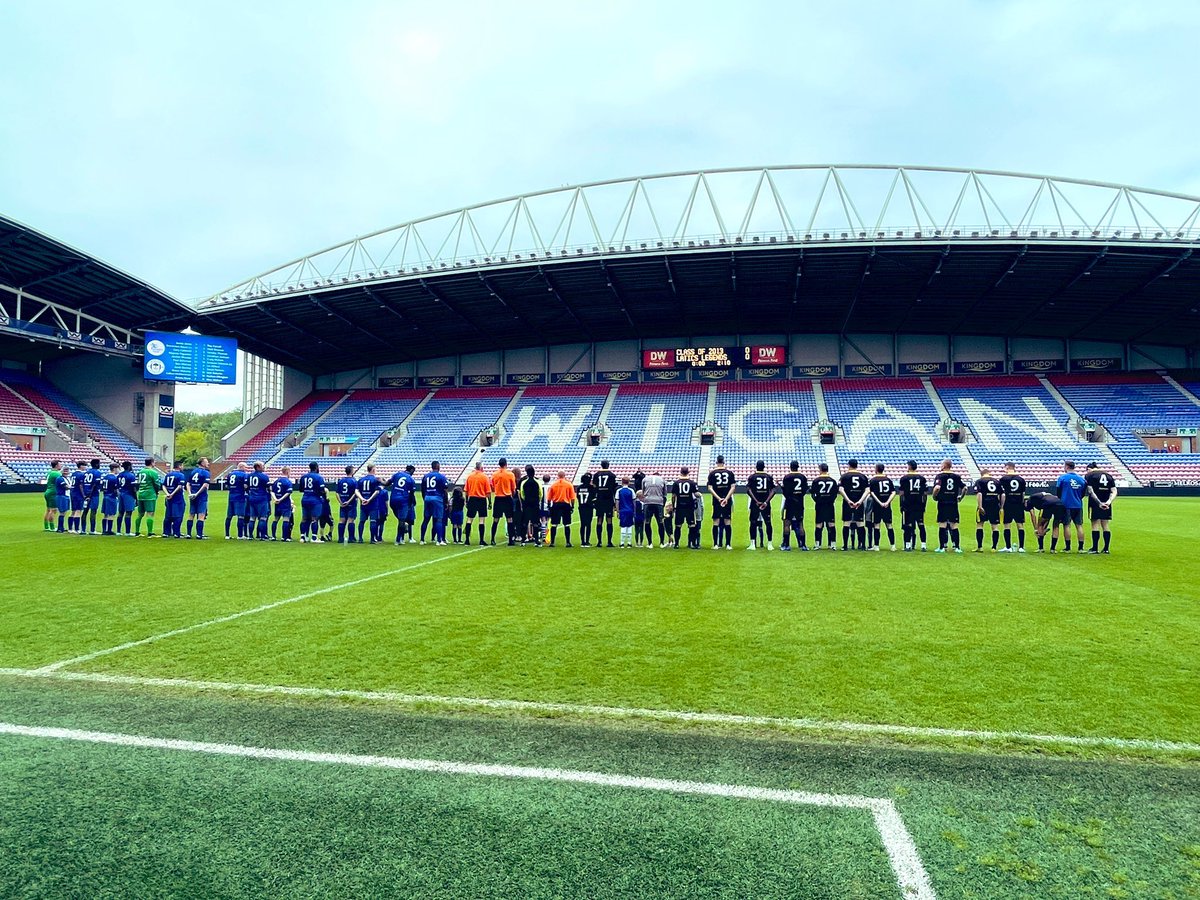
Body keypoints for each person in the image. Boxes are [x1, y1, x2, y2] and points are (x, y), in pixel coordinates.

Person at [931, 459, 965, 553]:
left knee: (942, 524)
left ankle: (942, 547)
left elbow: (937, 487)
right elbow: (965, 488)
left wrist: (934, 496)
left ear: (944, 466)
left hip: (943, 502)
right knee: (954, 525)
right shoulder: (956, 476)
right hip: (953, 502)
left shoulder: (940, 476)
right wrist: (961, 497)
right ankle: (957, 547)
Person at [1084, 462, 1118, 554]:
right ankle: (1106, 548)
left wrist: (1099, 503)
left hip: (1095, 502)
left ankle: (1095, 548)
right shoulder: (1109, 476)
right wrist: (1108, 502)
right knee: (1105, 524)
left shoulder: (1089, 475)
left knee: (1095, 524)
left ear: (1089, 469)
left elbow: (1090, 491)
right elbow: (1114, 491)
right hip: (1106, 502)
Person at [1055, 460, 1087, 553]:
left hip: (1066, 505)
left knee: (1067, 525)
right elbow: (1083, 493)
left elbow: (1058, 492)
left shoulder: (1062, 478)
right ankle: (1081, 548)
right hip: (1078, 505)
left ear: (1067, 467)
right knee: (1079, 525)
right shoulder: (1081, 479)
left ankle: (1068, 548)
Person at [838, 459, 869, 551]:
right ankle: (863, 545)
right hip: (859, 502)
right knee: (860, 523)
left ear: (849, 465)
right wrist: (860, 501)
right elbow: (867, 490)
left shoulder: (844, 476)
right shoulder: (863, 477)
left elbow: (840, 489)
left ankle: (845, 546)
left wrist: (848, 500)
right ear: (857, 465)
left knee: (846, 523)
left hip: (848, 502)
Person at [898, 461, 928, 552]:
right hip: (919, 504)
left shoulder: (904, 478)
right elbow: (925, 494)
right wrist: (924, 505)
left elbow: (901, 494)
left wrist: (901, 505)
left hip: (908, 504)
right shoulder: (922, 478)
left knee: (908, 525)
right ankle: (923, 545)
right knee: (921, 525)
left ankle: (908, 545)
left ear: (909, 467)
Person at [706, 455, 736, 550]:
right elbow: (733, 487)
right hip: (727, 500)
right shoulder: (730, 473)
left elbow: (710, 488)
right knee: (727, 521)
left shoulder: (712, 473)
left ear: (716, 462)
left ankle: (715, 544)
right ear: (724, 462)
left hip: (716, 501)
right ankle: (728, 544)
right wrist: (726, 498)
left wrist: (719, 498)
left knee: (716, 521)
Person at [746, 461, 776, 550]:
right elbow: (773, 490)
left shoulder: (752, 477)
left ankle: (752, 544)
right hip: (766, 503)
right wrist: (766, 502)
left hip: (755, 503)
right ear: (764, 467)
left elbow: (748, 489)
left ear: (756, 467)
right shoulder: (768, 477)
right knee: (768, 522)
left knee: (753, 522)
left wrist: (756, 500)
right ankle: (770, 544)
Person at [779, 461, 808, 552]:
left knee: (787, 523)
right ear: (798, 467)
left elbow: (786, 492)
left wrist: (781, 487)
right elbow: (805, 490)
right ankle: (803, 545)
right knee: (800, 524)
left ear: (790, 467)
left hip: (790, 503)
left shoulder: (787, 477)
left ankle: (786, 545)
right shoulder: (803, 477)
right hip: (799, 503)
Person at [868, 463, 898, 551]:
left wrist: (880, 502)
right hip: (887, 506)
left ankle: (876, 546)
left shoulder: (873, 480)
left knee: (876, 525)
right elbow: (893, 492)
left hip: (877, 506)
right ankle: (893, 546)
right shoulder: (888, 480)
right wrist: (887, 502)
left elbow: (872, 493)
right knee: (889, 525)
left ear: (876, 469)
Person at [972, 468, 1002, 552]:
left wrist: (980, 506)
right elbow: (1002, 495)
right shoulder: (997, 482)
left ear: (982, 474)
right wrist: (1001, 507)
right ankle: (994, 547)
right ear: (989, 473)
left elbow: (979, 493)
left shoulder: (980, 481)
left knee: (980, 525)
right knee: (995, 526)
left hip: (984, 504)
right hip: (995, 505)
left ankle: (980, 547)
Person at [809, 463, 839, 549]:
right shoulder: (833, 481)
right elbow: (835, 493)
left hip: (820, 505)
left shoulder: (816, 480)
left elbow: (812, 492)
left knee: (819, 525)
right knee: (831, 524)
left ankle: (817, 544)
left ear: (820, 469)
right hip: (829, 504)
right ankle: (832, 545)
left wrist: (816, 500)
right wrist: (831, 500)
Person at [296, 461, 327, 543]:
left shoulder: (303, 477)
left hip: (305, 498)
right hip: (315, 500)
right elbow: (322, 490)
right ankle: (314, 537)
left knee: (304, 518)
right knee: (314, 519)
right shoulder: (319, 477)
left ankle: (303, 537)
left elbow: (300, 489)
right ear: (317, 467)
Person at [1000, 463, 1027, 553]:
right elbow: (1023, 494)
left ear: (1007, 467)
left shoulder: (1003, 479)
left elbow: (1002, 494)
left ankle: (1008, 547)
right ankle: (1021, 547)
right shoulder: (1021, 479)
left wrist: (1001, 506)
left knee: (1007, 525)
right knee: (1020, 525)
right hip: (1018, 504)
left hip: (1008, 504)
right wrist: (1021, 503)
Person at [419, 461, 448, 545]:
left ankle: (422, 539)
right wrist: (445, 502)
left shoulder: (426, 476)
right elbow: (445, 490)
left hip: (427, 497)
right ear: (438, 466)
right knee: (438, 519)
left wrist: (424, 498)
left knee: (426, 519)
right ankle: (439, 540)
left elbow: (422, 489)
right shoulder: (441, 476)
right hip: (437, 498)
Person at [490, 458, 518, 545]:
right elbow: (513, 488)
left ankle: (492, 539)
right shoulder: (510, 474)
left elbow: (492, 485)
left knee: (495, 520)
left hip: (498, 498)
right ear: (506, 464)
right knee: (509, 519)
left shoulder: (494, 474)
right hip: (507, 497)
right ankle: (510, 540)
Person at [670, 467, 699, 549]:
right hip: (689, 506)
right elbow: (696, 494)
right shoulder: (692, 483)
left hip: (680, 506)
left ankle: (676, 544)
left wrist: (673, 505)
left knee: (678, 525)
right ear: (688, 472)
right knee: (692, 525)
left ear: (680, 472)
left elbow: (673, 496)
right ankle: (692, 543)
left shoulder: (676, 483)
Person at [591, 460, 618, 547]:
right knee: (609, 520)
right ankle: (609, 542)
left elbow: (594, 487)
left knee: (599, 519)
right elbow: (614, 488)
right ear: (608, 465)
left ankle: (599, 542)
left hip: (599, 499)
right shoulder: (612, 475)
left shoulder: (596, 475)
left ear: (601, 465)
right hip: (609, 499)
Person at [464, 462, 491, 545]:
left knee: (469, 519)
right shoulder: (484, 477)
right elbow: (488, 492)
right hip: (482, 499)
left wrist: (467, 500)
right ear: (481, 468)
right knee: (481, 520)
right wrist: (490, 502)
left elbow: (466, 491)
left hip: (472, 498)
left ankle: (467, 540)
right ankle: (481, 540)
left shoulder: (470, 476)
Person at [547, 470, 577, 546]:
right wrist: (572, 506)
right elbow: (573, 498)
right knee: (567, 524)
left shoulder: (553, 485)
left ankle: (552, 542)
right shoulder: (569, 485)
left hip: (556, 505)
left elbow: (549, 498)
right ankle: (568, 542)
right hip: (565, 505)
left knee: (554, 524)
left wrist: (549, 506)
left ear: (558, 476)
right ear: (564, 476)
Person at [135, 457, 162, 537]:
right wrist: (157, 492)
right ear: (152, 463)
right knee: (150, 513)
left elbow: (138, 483)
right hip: (149, 494)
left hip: (141, 494)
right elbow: (157, 484)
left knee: (140, 514)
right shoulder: (153, 472)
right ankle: (150, 533)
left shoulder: (140, 472)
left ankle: (137, 532)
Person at [357, 464, 384, 543]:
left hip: (363, 503)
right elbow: (377, 491)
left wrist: (362, 499)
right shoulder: (375, 480)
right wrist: (369, 499)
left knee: (362, 521)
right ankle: (372, 539)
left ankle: (360, 538)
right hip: (372, 504)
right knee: (373, 521)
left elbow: (356, 491)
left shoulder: (361, 480)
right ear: (373, 470)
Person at [186, 457, 211, 539]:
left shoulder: (193, 471)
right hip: (201, 496)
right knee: (201, 515)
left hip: (192, 496)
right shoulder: (206, 473)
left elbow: (188, 483)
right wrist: (196, 494)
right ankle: (199, 535)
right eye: (207, 462)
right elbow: (205, 485)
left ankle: (188, 534)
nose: (208, 463)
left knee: (191, 514)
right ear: (202, 463)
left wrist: (190, 493)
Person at [246, 462, 272, 540]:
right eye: (262, 466)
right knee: (263, 517)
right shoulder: (264, 476)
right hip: (262, 498)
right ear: (258, 467)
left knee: (252, 518)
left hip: (252, 498)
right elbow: (268, 488)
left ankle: (250, 535)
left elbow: (246, 486)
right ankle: (262, 536)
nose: (264, 467)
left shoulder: (249, 475)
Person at [385, 466, 411, 544]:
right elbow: (411, 494)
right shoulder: (410, 479)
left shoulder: (397, 474)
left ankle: (401, 535)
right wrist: (410, 503)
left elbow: (388, 483)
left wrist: (382, 482)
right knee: (401, 520)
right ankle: (398, 539)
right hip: (403, 500)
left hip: (393, 499)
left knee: (400, 519)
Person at [640, 470, 666, 548]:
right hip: (658, 502)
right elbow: (664, 494)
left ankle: (650, 543)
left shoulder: (645, 479)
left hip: (648, 502)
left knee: (647, 522)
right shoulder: (662, 480)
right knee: (660, 522)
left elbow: (643, 491)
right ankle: (661, 542)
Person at [162, 460, 187, 538]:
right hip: (177, 498)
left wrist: (167, 494)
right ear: (179, 466)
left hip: (169, 498)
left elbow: (163, 486)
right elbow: (179, 486)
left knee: (168, 515)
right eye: (182, 465)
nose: (183, 467)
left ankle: (166, 532)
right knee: (178, 515)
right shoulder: (181, 475)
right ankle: (176, 533)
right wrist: (172, 494)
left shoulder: (168, 475)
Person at [335, 465, 359, 544]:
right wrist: (348, 501)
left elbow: (337, 493)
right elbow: (355, 493)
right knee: (350, 520)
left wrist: (340, 502)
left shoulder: (341, 480)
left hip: (342, 503)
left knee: (342, 520)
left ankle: (340, 538)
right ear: (352, 471)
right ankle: (351, 538)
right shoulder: (354, 481)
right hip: (351, 503)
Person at [225, 462, 249, 540]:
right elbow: (245, 485)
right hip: (240, 496)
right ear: (241, 467)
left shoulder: (230, 474)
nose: (246, 469)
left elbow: (226, 485)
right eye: (245, 467)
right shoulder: (244, 475)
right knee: (241, 515)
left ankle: (227, 535)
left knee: (229, 516)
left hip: (231, 496)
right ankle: (240, 535)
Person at [519, 464, 542, 545]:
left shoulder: (523, 482)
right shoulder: (538, 482)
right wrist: (537, 500)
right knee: (535, 522)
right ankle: (536, 541)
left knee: (525, 522)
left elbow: (522, 494)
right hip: (535, 504)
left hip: (526, 504)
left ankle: (523, 540)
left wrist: (525, 500)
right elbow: (540, 494)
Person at [270, 466, 294, 541]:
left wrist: (276, 499)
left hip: (277, 503)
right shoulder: (288, 481)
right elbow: (288, 493)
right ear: (287, 472)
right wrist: (280, 499)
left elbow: (272, 491)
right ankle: (284, 537)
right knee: (286, 519)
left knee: (276, 519)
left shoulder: (276, 480)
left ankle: (273, 536)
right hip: (285, 503)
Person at [42, 460, 65, 533]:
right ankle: (52, 527)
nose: (61, 466)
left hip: (48, 491)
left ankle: (46, 526)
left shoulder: (50, 472)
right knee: (53, 510)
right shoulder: (57, 473)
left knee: (48, 510)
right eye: (60, 464)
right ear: (56, 465)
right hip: (53, 492)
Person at [117, 460, 138, 536]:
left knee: (120, 512)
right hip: (128, 494)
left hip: (121, 493)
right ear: (129, 466)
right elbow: (133, 488)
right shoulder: (131, 475)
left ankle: (118, 531)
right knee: (128, 513)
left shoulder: (119, 475)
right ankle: (127, 532)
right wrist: (136, 498)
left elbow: (118, 486)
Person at [84, 458, 103, 534]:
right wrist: (90, 494)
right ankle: (92, 530)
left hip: (85, 494)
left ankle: (83, 529)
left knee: (85, 511)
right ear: (96, 464)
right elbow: (95, 485)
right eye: (99, 464)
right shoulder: (97, 473)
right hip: (93, 494)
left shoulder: (86, 472)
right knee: (93, 511)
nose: (99, 465)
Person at [67, 461, 87, 534]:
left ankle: (70, 528)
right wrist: (84, 495)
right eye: (85, 465)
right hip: (78, 494)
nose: (85, 467)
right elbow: (81, 486)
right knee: (78, 511)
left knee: (73, 511)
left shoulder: (73, 474)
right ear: (81, 466)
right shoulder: (81, 475)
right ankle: (76, 529)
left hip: (72, 493)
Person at [101, 463, 121, 535]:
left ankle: (104, 530)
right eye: (118, 468)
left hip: (105, 496)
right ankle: (109, 530)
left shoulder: (105, 477)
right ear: (115, 469)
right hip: (111, 497)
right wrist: (119, 496)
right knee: (111, 514)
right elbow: (116, 489)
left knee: (106, 514)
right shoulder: (114, 478)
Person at [576, 472, 595, 546]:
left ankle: (582, 541)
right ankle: (587, 541)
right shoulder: (591, 487)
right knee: (588, 524)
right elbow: (594, 497)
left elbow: (577, 496)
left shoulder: (579, 487)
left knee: (582, 524)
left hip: (581, 507)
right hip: (589, 507)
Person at [616, 476, 636, 547]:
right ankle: (629, 543)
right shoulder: (631, 490)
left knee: (623, 526)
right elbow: (634, 502)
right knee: (630, 526)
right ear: (629, 482)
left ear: (622, 482)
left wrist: (617, 511)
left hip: (622, 511)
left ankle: (622, 543)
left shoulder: (619, 491)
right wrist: (634, 510)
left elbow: (617, 501)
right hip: (630, 510)